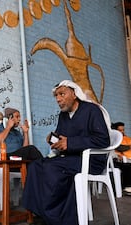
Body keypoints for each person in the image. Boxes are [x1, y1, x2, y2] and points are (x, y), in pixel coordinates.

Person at [22, 80, 110, 225]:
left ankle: (57, 216)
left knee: (51, 169)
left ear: (74, 94)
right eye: (56, 95)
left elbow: (103, 140)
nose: (58, 99)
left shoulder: (92, 110)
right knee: (36, 166)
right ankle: (42, 211)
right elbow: (61, 137)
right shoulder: (63, 115)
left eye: (62, 94)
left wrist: (70, 143)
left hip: (91, 161)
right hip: (70, 159)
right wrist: (53, 140)